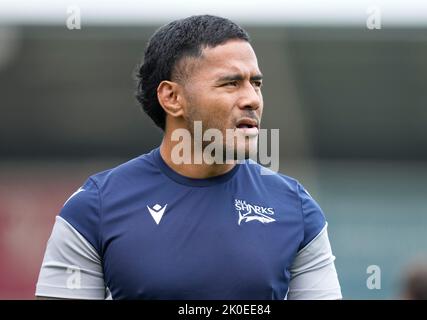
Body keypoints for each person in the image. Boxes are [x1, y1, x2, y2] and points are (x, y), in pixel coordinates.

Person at [36, 15, 342, 300]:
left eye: (256, 83)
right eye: (231, 83)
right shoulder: (94, 207)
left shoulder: (296, 208)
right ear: (172, 98)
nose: (252, 99)